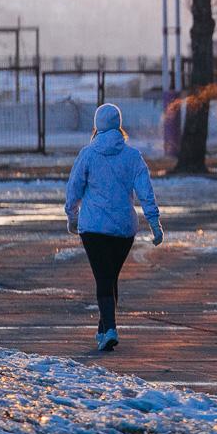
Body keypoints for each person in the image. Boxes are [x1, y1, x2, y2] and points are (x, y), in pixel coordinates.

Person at [64, 103, 164, 352]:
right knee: (109, 278)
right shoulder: (133, 157)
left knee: (104, 279)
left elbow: (74, 189)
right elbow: (146, 193)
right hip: (122, 231)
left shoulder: (87, 154)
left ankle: (109, 328)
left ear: (97, 125)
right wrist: (154, 223)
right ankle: (103, 331)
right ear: (119, 124)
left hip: (94, 230)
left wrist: (72, 216)